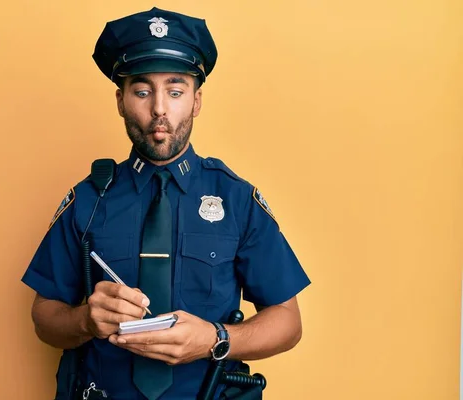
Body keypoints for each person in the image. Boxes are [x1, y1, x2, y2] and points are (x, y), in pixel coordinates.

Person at [21, 7, 311, 400]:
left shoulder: (236, 199)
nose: (159, 108)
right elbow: (44, 318)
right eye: (142, 91)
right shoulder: (88, 198)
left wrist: (216, 339)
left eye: (175, 91)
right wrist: (85, 320)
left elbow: (288, 322)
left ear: (196, 101)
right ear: (121, 100)